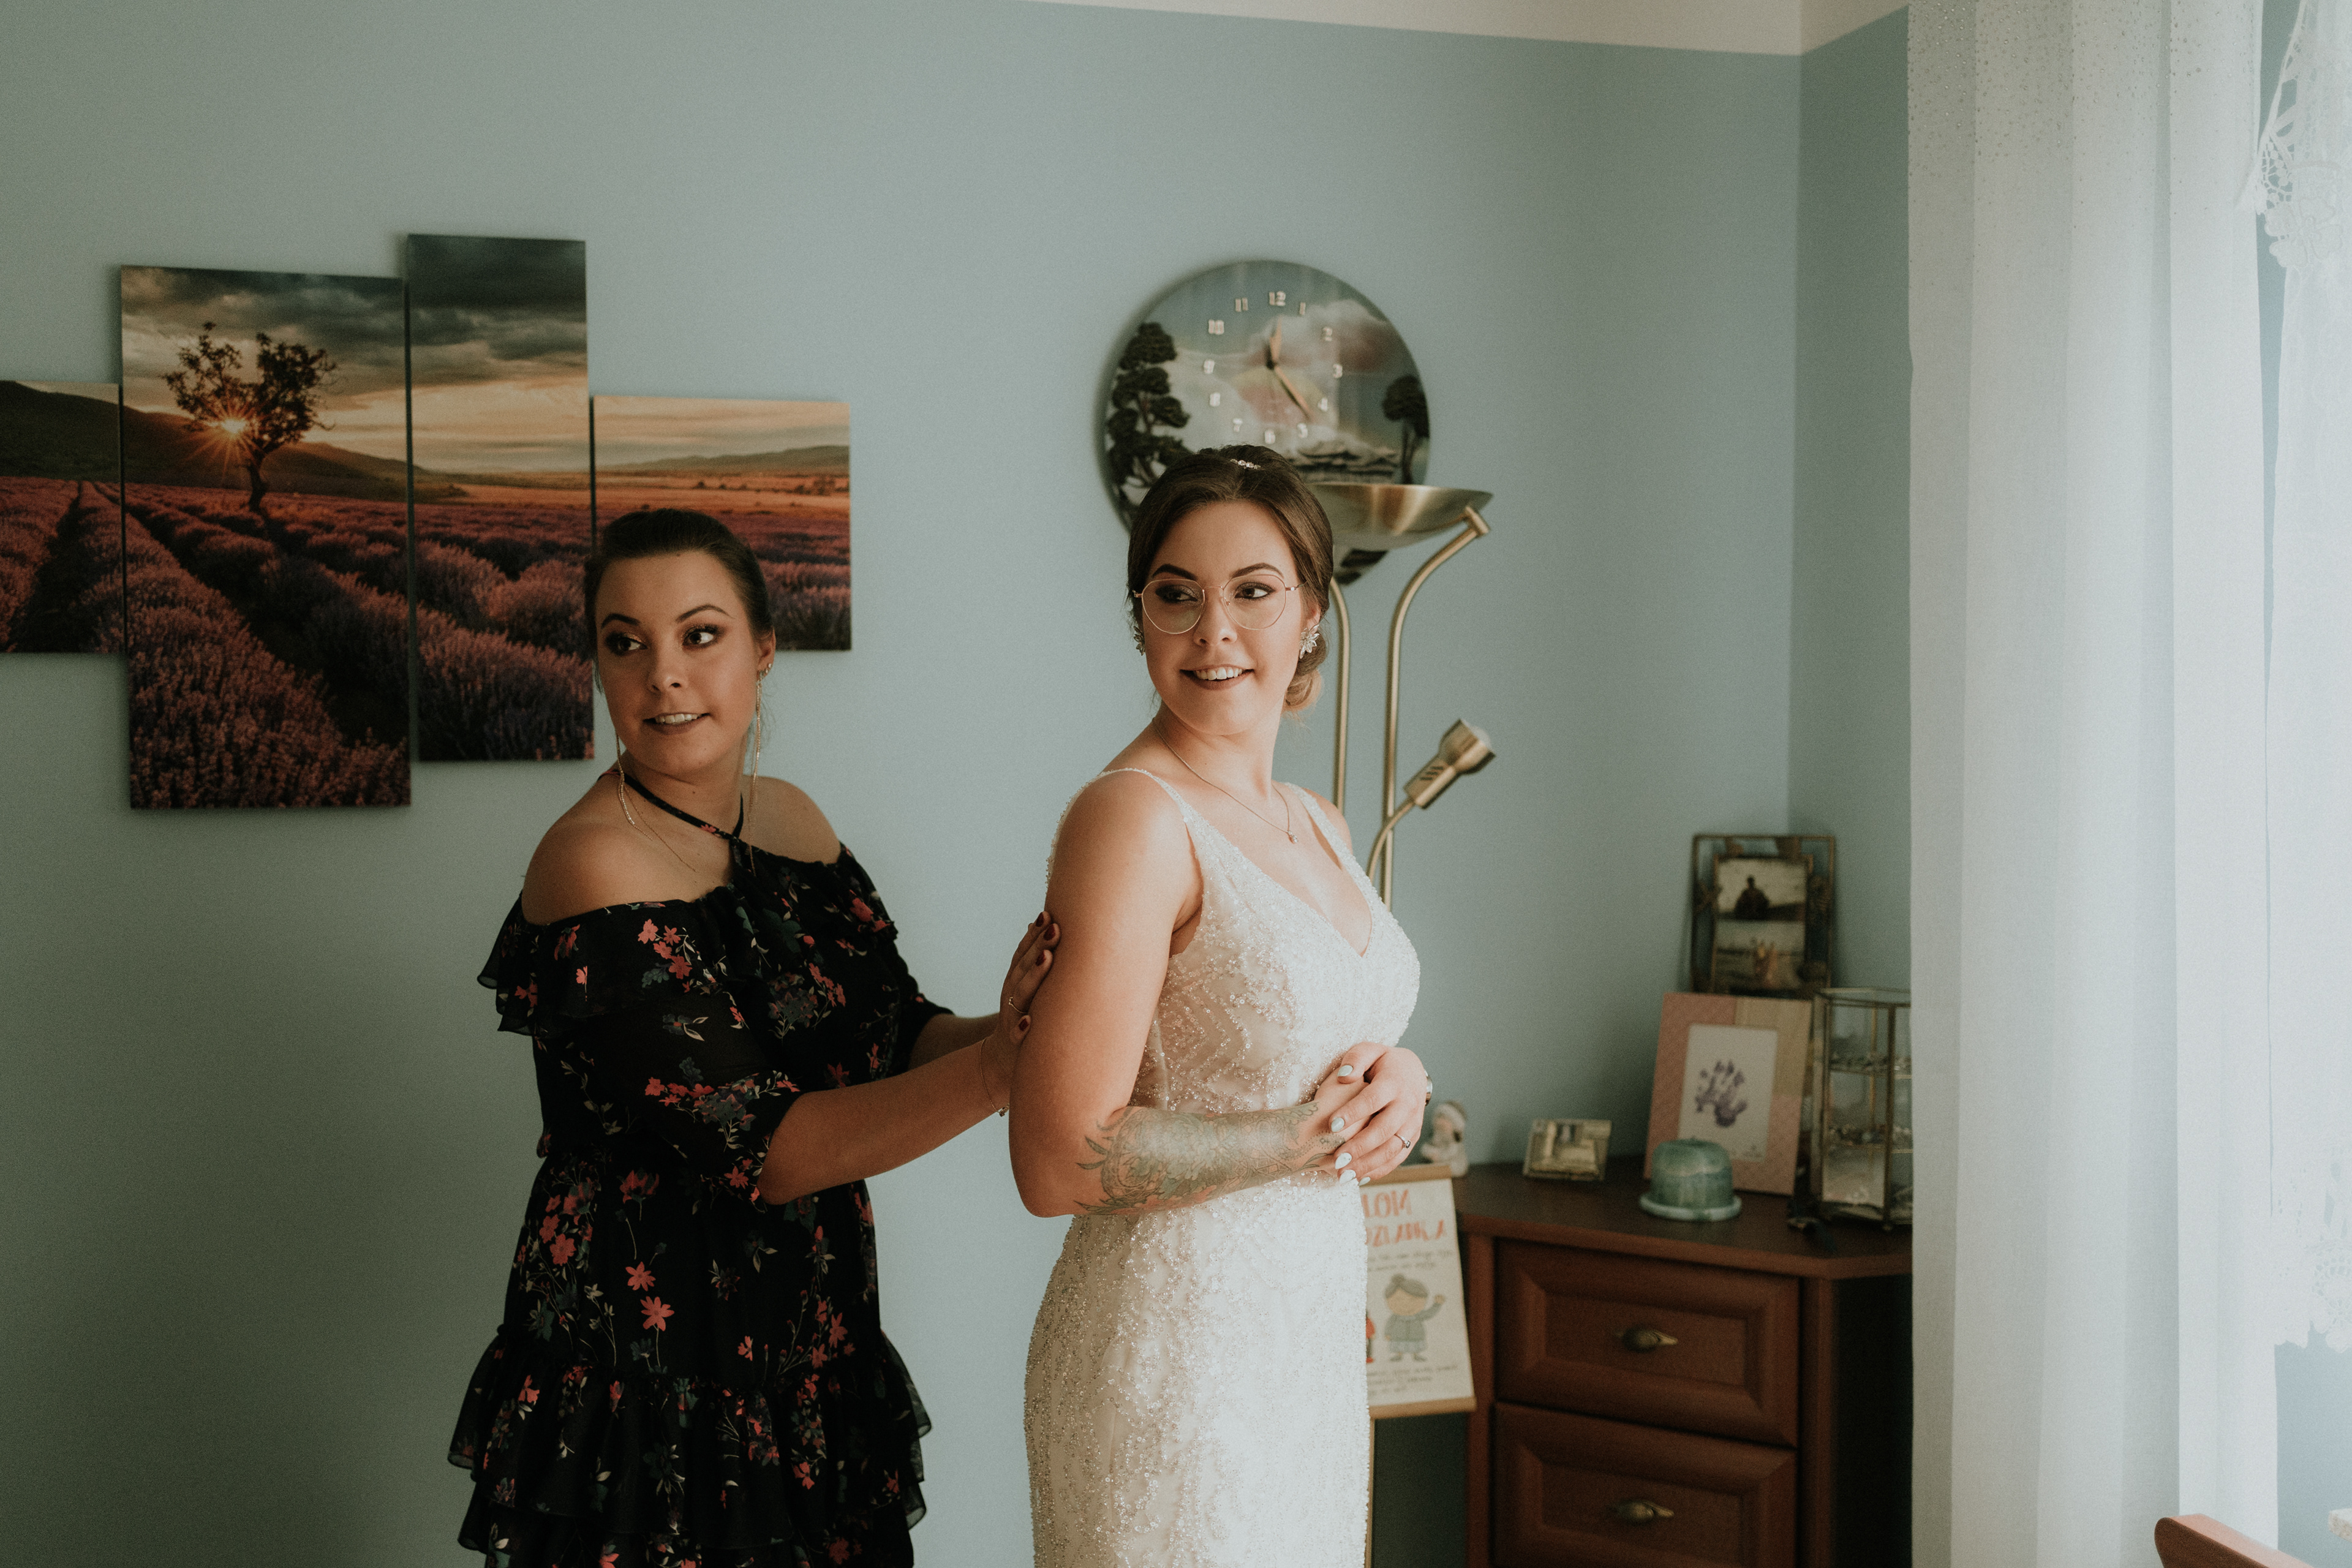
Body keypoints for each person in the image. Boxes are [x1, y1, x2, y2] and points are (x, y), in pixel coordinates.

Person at [447, 509, 1055, 1568]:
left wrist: (1020, 1024)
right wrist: (1004, 1071)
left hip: (806, 1349)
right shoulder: (592, 866)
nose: (664, 675)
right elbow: (768, 1152)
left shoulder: (791, 822)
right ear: (596, 665)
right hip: (653, 1379)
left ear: (764, 648)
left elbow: (895, 1034)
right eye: (625, 643)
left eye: (700, 634)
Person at [1014, 447, 1430, 1567]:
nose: (1215, 633)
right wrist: (1307, 1137)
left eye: (1253, 591)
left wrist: (1400, 1074)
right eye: (1177, 595)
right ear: (1139, 616)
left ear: (1312, 610)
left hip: (1303, 1347)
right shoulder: (1133, 818)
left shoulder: (1318, 821)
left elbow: (1315, 1027)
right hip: (1174, 1365)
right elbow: (1058, 1159)